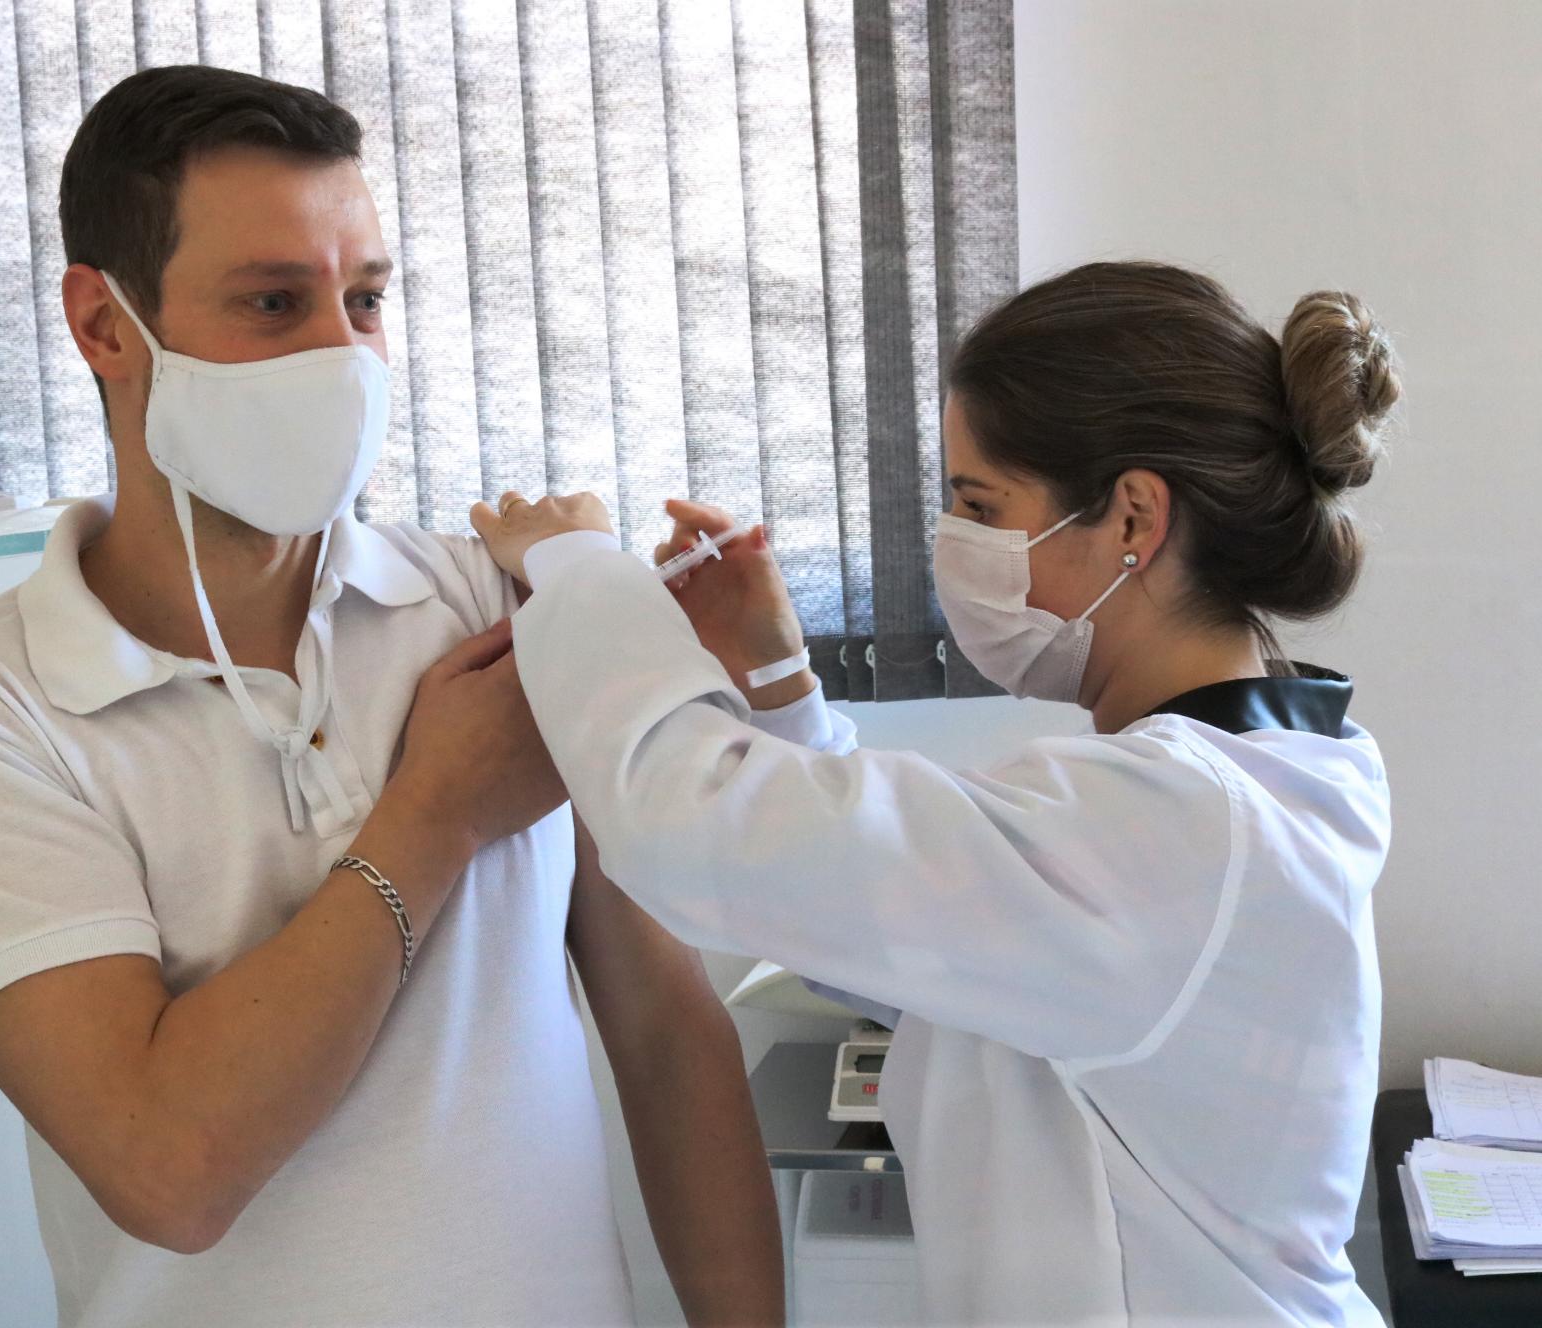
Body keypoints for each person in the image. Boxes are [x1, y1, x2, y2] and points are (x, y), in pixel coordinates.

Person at [0, 66, 782, 1327]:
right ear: (105, 326)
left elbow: (668, 1030)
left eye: (365, 300)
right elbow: (169, 1169)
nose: (341, 356)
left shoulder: (491, 605)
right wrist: (439, 810)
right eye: (274, 303)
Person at [460, 262, 1400, 1324]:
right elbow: (900, 929)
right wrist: (778, 678)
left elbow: (693, 827)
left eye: (979, 503)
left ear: (1134, 517)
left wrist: (582, 569)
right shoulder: (1238, 787)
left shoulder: (1177, 827)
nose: (954, 539)